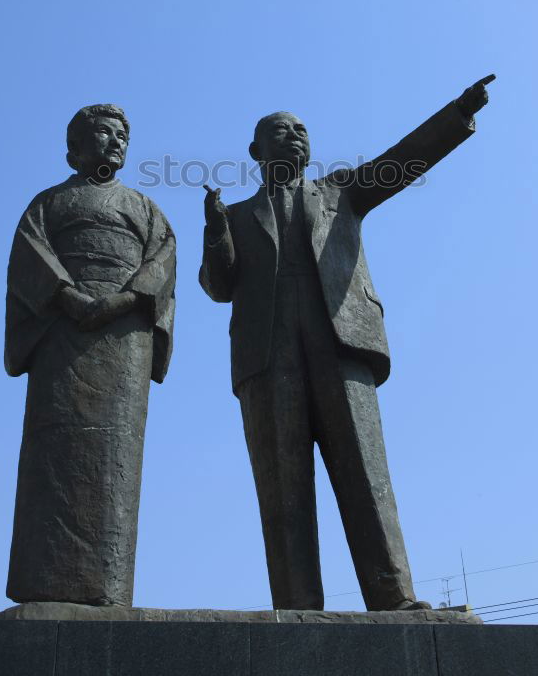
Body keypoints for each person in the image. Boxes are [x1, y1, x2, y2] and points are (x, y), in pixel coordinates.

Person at [200, 77, 494, 611]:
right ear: (255, 151)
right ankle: (297, 604)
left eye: (302, 130)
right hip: (267, 354)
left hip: (339, 339)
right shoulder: (238, 216)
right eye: (281, 130)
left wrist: (456, 115)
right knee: (283, 487)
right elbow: (219, 288)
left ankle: (393, 595)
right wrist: (216, 232)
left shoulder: (342, 192)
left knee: (365, 472)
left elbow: (402, 162)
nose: (295, 136)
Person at [5, 104, 175, 607]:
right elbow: (29, 253)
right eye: (103, 132)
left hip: (123, 338)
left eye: (122, 134)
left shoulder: (146, 209)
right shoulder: (48, 203)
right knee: (53, 451)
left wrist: (123, 300)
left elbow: (162, 260)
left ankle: (107, 587)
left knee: (114, 461)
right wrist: (69, 296)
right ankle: (44, 583)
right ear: (74, 147)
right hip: (62, 329)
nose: (116, 141)